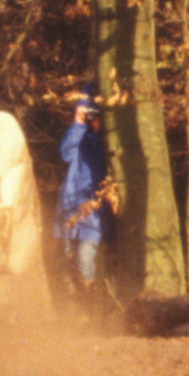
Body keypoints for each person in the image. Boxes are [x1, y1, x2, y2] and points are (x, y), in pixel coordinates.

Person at [55, 86, 112, 303]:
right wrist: (78, 125)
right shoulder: (77, 135)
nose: (90, 117)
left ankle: (89, 308)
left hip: (93, 212)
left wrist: (98, 133)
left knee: (85, 261)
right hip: (69, 207)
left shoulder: (107, 137)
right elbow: (65, 154)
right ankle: (71, 312)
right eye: (86, 112)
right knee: (67, 263)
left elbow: (105, 160)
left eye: (93, 113)